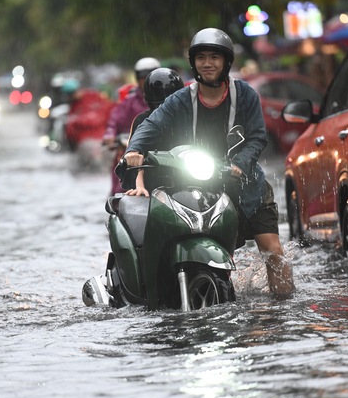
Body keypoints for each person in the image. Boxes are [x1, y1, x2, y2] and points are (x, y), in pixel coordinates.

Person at [123, 28, 295, 298]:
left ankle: (285, 307)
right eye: (201, 57)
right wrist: (134, 149)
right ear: (193, 63)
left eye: (214, 57)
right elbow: (152, 125)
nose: (207, 63)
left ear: (226, 62)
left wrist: (240, 163)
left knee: (272, 249)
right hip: (204, 188)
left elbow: (258, 137)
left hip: (247, 186)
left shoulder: (246, 94)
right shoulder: (180, 99)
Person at [103, 57, 161, 195]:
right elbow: (114, 121)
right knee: (121, 185)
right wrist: (110, 136)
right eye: (143, 77)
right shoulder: (128, 102)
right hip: (132, 149)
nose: (146, 81)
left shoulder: (174, 99)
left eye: (151, 76)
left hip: (163, 150)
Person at [124, 67, 184, 197]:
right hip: (151, 187)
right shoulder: (141, 120)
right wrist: (139, 186)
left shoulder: (189, 117)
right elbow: (134, 159)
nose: (164, 114)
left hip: (190, 180)